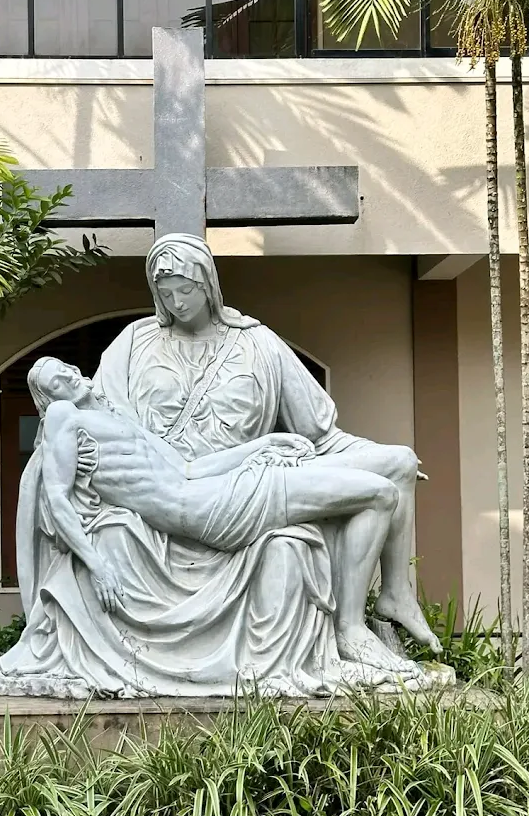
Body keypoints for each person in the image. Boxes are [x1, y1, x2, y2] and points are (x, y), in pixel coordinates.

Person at [94, 233, 442, 661]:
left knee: (400, 462)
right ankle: (350, 628)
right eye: (166, 294)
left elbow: (322, 435)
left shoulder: (257, 343)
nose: (177, 303)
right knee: (378, 493)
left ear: (208, 284)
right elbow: (99, 418)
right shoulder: (134, 341)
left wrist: (366, 454)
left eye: (185, 290)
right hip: (208, 488)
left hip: (257, 472)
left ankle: (396, 594)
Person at [27, 357, 403, 652]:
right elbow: (58, 497)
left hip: (215, 491)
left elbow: (188, 468)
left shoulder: (115, 418)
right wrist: (97, 566)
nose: (67, 377)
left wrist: (262, 444)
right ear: (49, 398)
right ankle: (350, 630)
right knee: (379, 495)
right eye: (54, 383)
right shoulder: (63, 416)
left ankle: (382, 605)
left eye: (64, 368)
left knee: (390, 471)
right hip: (207, 512)